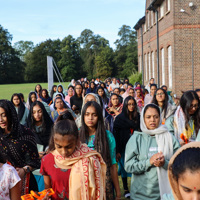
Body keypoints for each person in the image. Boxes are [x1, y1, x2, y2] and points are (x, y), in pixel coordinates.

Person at [125, 103, 180, 200]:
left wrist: (164, 163)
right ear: (143, 119)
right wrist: (148, 162)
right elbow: (128, 166)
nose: (152, 120)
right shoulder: (136, 139)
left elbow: (180, 165)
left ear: (160, 118)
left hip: (164, 194)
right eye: (148, 117)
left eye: (156, 117)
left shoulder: (169, 138)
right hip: (140, 195)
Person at [40, 119, 106, 200]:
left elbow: (96, 191)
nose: (64, 152)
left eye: (69, 147)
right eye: (59, 146)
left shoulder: (90, 159)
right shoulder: (47, 160)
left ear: (77, 140)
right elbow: (48, 190)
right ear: (54, 140)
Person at [79, 101, 121, 199]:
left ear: (99, 117)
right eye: (87, 114)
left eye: (94, 115)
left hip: (104, 184)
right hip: (83, 183)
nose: (90, 118)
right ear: (83, 116)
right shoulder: (77, 136)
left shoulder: (107, 136)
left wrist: (118, 192)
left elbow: (113, 165)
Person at [0, 100, 40, 195]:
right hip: (4, 185)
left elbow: (35, 161)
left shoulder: (26, 134)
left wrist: (24, 169)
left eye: (3, 115)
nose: (0, 119)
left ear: (11, 114)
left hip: (26, 182)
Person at [113, 96, 140, 198]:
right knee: (124, 168)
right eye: (129, 104)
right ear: (125, 105)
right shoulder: (120, 118)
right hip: (123, 146)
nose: (131, 106)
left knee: (136, 168)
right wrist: (118, 150)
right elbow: (116, 134)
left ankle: (136, 188)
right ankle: (125, 189)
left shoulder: (138, 117)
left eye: (133, 104)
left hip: (136, 146)